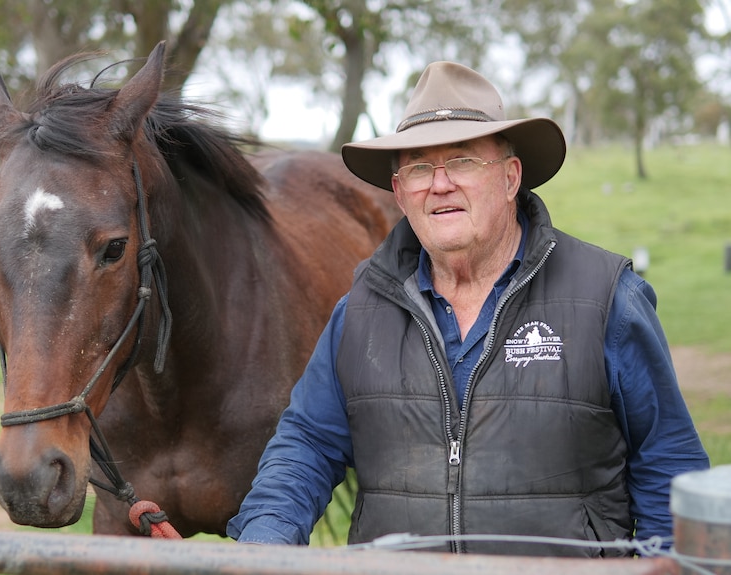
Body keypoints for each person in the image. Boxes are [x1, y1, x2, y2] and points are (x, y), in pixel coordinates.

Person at [226, 61, 710, 557]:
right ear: (399, 193)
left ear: (509, 178)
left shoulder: (608, 298)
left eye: (461, 161)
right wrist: (263, 544)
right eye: (418, 167)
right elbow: (306, 445)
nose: (439, 184)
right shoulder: (360, 314)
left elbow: (668, 468)